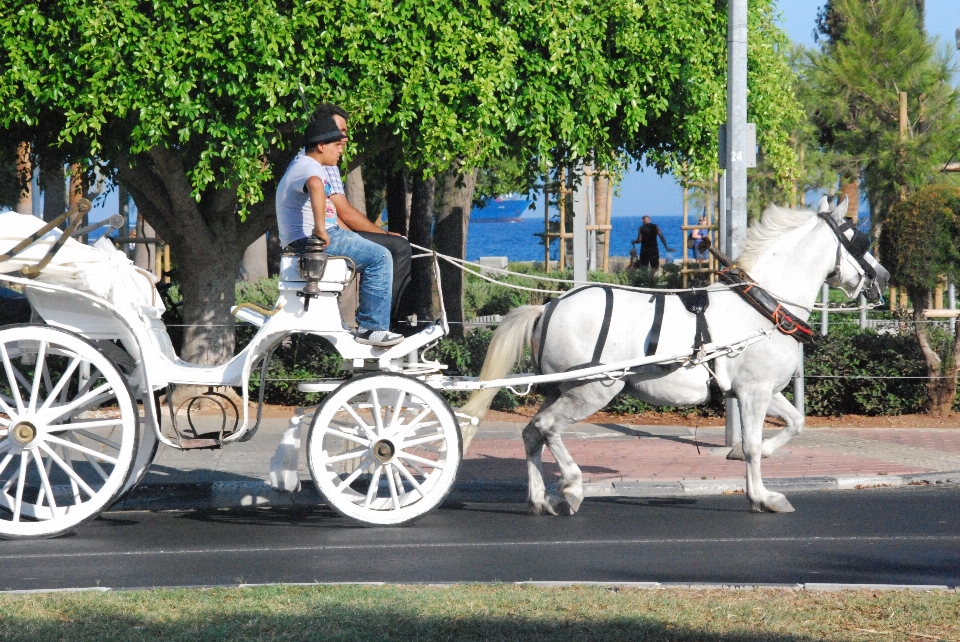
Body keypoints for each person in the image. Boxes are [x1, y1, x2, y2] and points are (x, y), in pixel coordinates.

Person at [276, 116, 403, 347]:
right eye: (337, 146)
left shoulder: (303, 165)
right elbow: (315, 185)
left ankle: (370, 323)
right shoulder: (309, 166)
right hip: (313, 241)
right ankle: (372, 328)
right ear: (321, 146)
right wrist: (320, 229)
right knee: (381, 256)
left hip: (306, 239)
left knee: (373, 250)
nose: (340, 151)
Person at [307, 104, 413, 329]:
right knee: (395, 249)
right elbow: (343, 211)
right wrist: (383, 235)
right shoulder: (317, 165)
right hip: (320, 240)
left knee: (391, 245)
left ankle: (384, 318)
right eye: (341, 132)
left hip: (327, 234)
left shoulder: (319, 161)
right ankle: (383, 324)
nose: (345, 138)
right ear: (323, 136)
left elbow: (334, 214)